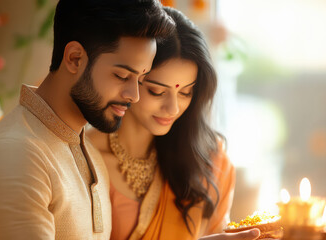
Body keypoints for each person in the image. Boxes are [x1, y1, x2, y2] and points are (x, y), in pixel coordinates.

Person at [0, 0, 175, 239]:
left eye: (141, 79)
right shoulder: (17, 153)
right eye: (122, 75)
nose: (134, 95)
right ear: (74, 58)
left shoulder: (89, 152)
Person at [87, 7, 260, 240]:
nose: (173, 108)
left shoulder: (209, 162)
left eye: (185, 93)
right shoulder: (84, 158)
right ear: (128, 78)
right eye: (157, 91)